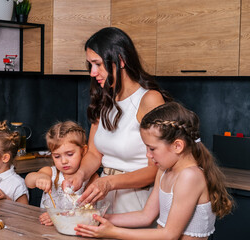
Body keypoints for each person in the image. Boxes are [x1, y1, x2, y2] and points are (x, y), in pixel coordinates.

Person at [75, 102, 233, 239]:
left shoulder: (189, 176)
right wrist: (96, 217)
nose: (148, 155)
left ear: (177, 146)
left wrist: (113, 232)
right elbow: (145, 216)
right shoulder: (164, 170)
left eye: (152, 148)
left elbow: (169, 234)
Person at [63, 27, 172, 214]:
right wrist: (80, 175)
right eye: (91, 65)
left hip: (137, 199)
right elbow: (95, 154)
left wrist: (109, 182)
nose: (92, 72)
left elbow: (158, 168)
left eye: (97, 64)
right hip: (103, 194)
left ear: (120, 60)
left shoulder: (149, 100)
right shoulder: (104, 99)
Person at [25, 121, 98, 225]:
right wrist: (40, 177)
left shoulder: (91, 178)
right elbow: (28, 180)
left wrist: (58, 217)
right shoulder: (51, 172)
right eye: (57, 156)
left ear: (84, 150)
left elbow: (88, 212)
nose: (63, 161)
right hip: (45, 228)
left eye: (69, 154)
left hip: (75, 229)